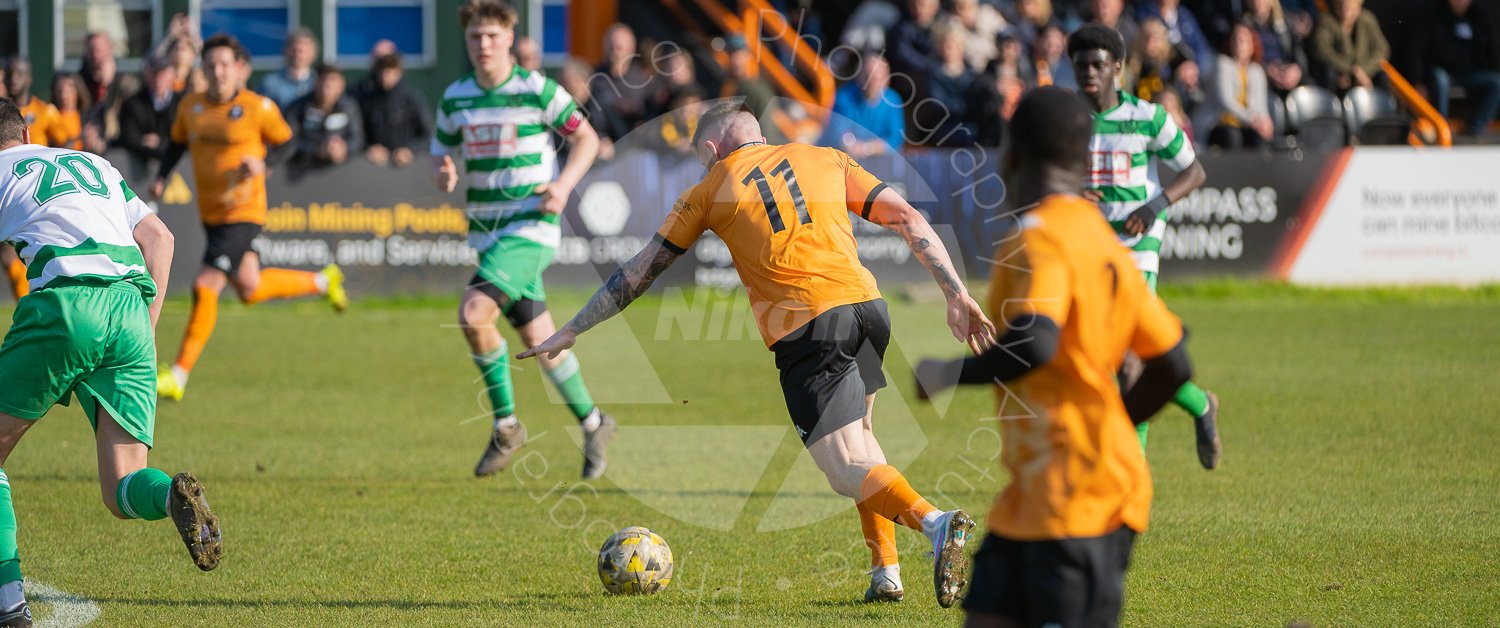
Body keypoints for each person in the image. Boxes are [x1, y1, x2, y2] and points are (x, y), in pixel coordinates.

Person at [518, 101, 994, 606]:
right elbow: (907, 216)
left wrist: (572, 328)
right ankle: (886, 572)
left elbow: (638, 273)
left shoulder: (709, 186)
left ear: (710, 148)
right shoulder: (826, 157)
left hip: (810, 325)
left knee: (843, 468)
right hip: (868, 309)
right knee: (865, 443)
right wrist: (955, 292)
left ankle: (935, 522)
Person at [911, 86, 1196, 628]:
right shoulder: (1105, 243)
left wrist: (950, 372)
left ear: (1010, 156)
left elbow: (1038, 341)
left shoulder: (1037, 240)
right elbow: (1174, 364)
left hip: (1080, 502)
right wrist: (1115, 422)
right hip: (1034, 497)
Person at [0, 98, 224, 625]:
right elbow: (160, 240)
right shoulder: (93, 163)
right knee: (123, 486)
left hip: (64, 304)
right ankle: (171, 495)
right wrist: (144, 330)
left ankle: (9, 603)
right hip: (128, 308)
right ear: (28, 131)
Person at [430, 0, 615, 480]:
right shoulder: (455, 98)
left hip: (529, 230)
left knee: (474, 313)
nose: (483, 44)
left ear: (510, 39)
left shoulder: (537, 90)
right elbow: (441, 151)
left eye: (492, 36)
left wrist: (562, 186)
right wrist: (443, 170)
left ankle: (507, 426)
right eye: (475, 37)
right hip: (488, 236)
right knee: (542, 340)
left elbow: (588, 139)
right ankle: (595, 422)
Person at [149, 34, 347, 402]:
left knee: (206, 283)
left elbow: (287, 142)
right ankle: (322, 281)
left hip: (245, 211)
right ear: (203, 70)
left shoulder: (258, 107)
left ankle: (178, 374)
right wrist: (162, 176)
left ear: (239, 69)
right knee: (249, 288)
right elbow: (177, 142)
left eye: (225, 64)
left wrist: (263, 164)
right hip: (212, 212)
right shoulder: (190, 107)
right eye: (211, 65)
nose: (218, 71)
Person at [1069, 23, 1222, 463]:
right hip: (1091, 249)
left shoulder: (1149, 117)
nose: (1090, 74)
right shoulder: (1068, 121)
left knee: (1132, 360)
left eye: (1098, 65)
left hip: (1138, 248)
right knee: (1114, 361)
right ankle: (1200, 404)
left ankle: (1131, 473)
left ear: (1118, 66)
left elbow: (1194, 172)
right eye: (1081, 66)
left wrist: (1155, 206)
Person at [1414, 0, 1500, 138]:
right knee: (1439, 77)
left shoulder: (1478, 18)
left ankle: (1475, 128)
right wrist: (1417, 80)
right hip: (1443, 72)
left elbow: (1492, 51)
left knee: (1496, 81)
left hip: (1469, 74)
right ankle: (1441, 128)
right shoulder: (1434, 16)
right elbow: (1416, 52)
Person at [818, 54, 905, 156]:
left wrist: (868, 148)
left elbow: (895, 140)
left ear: (886, 80)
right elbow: (838, 133)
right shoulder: (843, 98)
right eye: (867, 75)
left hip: (879, 159)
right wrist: (850, 145)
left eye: (876, 78)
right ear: (859, 76)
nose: (871, 82)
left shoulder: (893, 101)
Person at [355, 53, 430, 168]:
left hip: (409, 170)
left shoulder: (412, 99)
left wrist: (409, 150)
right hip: (373, 169)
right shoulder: (367, 100)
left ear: (399, 72)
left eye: (390, 71)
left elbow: (428, 135)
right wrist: (370, 148)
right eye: (382, 71)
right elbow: (357, 134)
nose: (386, 76)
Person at [1210, 21, 1274, 149]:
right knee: (1233, 136)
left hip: (1248, 125)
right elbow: (1225, 102)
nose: (1239, 43)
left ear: (1252, 45)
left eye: (1244, 40)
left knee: (1259, 139)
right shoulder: (1222, 64)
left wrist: (1266, 122)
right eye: (1235, 39)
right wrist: (1252, 120)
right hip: (1221, 123)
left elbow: (1261, 106)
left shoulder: (1257, 71)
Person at [286, 64, 363, 167]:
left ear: (341, 85)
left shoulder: (349, 107)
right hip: (304, 169)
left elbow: (358, 139)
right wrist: (318, 149)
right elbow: (289, 140)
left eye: (332, 80)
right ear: (314, 83)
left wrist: (343, 148)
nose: (326, 85)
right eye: (322, 80)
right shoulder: (297, 107)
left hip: (343, 173)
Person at [1309, 0, 1388, 92]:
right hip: (1339, 72)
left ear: (1358, 6)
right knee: (1329, 74)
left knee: (1382, 77)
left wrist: (1364, 72)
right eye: (1341, 4)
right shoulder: (1325, 20)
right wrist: (1351, 70)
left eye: (1349, 7)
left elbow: (1382, 49)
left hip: (1365, 72)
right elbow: (1322, 51)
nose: (1345, 9)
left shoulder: (1367, 19)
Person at [117, 57, 180, 170]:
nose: (158, 78)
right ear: (146, 75)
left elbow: (185, 137)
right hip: (137, 170)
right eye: (154, 73)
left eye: (162, 73)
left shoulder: (182, 104)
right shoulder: (132, 103)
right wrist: (146, 144)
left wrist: (160, 143)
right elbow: (128, 136)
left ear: (172, 75)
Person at [1247, 0, 1308, 94]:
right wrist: (1266, 69)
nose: (1257, 2)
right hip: (1261, 77)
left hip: (1286, 71)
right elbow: (1244, 54)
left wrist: (1298, 69)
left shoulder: (1285, 20)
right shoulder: (1246, 24)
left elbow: (1297, 48)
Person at [3, 58, 65, 148]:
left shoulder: (46, 110)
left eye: (19, 73)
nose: (13, 78)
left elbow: (65, 143)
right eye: (10, 73)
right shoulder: (2, 111)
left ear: (29, 78)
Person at [259, 28, 318, 110]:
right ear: (285, 51)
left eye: (302, 51)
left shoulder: (319, 83)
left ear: (313, 53)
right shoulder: (270, 84)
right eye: (294, 50)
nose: (297, 55)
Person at [47, 74, 90, 151]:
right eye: (59, 91)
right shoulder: (49, 115)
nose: (63, 96)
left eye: (68, 91)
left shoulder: (87, 116)